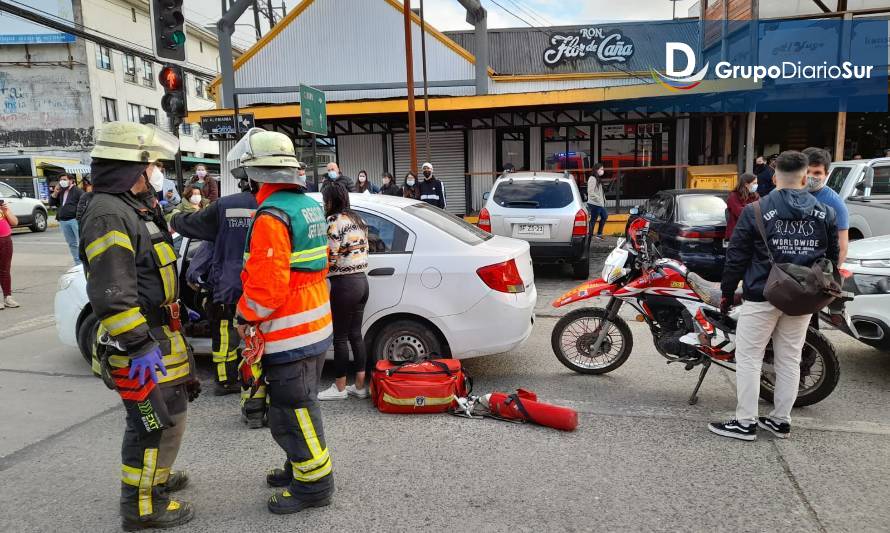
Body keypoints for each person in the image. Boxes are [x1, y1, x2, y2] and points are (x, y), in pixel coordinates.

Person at [79, 122, 196, 529]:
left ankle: (156, 478)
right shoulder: (109, 214)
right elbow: (113, 292)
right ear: (134, 168)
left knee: (173, 411)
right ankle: (142, 506)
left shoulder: (134, 206)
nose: (157, 171)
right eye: (153, 165)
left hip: (159, 333)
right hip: (139, 342)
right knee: (150, 424)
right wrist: (138, 343)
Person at [234, 128, 334, 514]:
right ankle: (300, 468)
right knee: (300, 405)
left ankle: (314, 486)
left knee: (291, 411)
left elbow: (266, 289)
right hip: (313, 327)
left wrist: (244, 314)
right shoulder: (307, 205)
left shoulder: (271, 216)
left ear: (255, 176)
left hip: (289, 333)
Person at [709, 151, 839, 442]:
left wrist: (727, 294)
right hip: (802, 297)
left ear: (775, 175)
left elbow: (736, 258)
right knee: (790, 359)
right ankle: (781, 421)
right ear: (805, 177)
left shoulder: (755, 210)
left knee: (749, 358)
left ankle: (745, 423)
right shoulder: (825, 212)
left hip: (762, 294)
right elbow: (830, 259)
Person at [170, 172, 258, 401]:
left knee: (225, 335)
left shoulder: (224, 206)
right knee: (258, 333)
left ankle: (226, 380)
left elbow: (193, 230)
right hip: (261, 284)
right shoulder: (273, 203)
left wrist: (174, 215)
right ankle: (258, 376)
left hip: (229, 284)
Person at [318, 182, 370, 401]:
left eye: (324, 200)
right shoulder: (358, 220)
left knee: (339, 338)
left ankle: (339, 388)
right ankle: (359, 387)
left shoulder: (334, 221)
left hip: (344, 284)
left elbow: (331, 255)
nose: (323, 203)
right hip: (362, 282)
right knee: (356, 335)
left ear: (331, 201)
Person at [803, 147, 848, 265]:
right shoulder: (789, 194)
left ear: (826, 174)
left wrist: (830, 278)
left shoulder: (835, 203)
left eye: (817, 173)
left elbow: (842, 248)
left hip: (817, 271)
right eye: (807, 171)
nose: (810, 176)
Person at [49, 174, 84, 265]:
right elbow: (51, 203)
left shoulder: (77, 191)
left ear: (71, 180)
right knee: (72, 243)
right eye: (60, 180)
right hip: (63, 221)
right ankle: (78, 263)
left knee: (81, 242)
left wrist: (79, 216)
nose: (62, 181)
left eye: (64, 179)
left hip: (74, 220)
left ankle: (85, 262)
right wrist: (56, 192)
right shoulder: (61, 191)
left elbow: (84, 203)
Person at [725, 172, 759, 239]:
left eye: (757, 183)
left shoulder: (755, 195)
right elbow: (741, 213)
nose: (756, 185)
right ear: (746, 184)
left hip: (751, 234)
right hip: (737, 235)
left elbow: (761, 210)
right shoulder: (733, 196)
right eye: (754, 183)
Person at [0, 200, 19, 310]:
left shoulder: (2, 208)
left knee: (5, 270)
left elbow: (15, 222)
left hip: (6, 240)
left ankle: (8, 297)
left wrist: (6, 210)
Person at [586, 163, 608, 240]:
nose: (603, 171)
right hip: (594, 203)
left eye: (603, 169)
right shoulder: (592, 178)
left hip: (599, 204)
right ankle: (590, 236)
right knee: (593, 220)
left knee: (604, 216)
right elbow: (590, 192)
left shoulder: (597, 178)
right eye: (601, 169)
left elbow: (600, 192)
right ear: (596, 170)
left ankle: (599, 234)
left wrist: (604, 200)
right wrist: (598, 199)